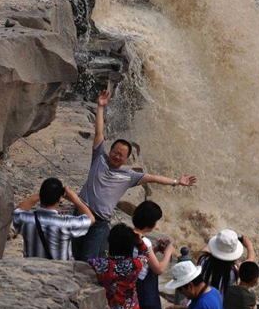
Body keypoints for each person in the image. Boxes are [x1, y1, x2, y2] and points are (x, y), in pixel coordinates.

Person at [73, 89, 197, 261]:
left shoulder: (129, 175)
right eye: (115, 152)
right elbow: (99, 132)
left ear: (126, 159)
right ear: (110, 151)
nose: (116, 156)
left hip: (99, 222)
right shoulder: (99, 158)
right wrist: (100, 107)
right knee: (75, 253)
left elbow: (154, 178)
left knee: (88, 259)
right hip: (79, 213)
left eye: (121, 155)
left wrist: (177, 181)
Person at [13, 177, 94, 260]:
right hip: (58, 271)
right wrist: (74, 199)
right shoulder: (65, 223)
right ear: (60, 199)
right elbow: (91, 219)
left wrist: (40, 195)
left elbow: (16, 211)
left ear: (41, 195)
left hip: (31, 270)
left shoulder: (25, 219)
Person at [88, 223, 148, 309]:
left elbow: (86, 263)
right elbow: (145, 254)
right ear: (131, 247)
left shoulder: (98, 265)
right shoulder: (135, 265)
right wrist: (139, 242)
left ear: (110, 242)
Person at [132, 200, 175, 309]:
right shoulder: (144, 241)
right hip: (145, 292)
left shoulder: (129, 234)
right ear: (150, 223)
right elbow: (159, 269)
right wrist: (168, 252)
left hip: (133, 284)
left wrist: (155, 249)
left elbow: (138, 255)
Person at [198, 231, 256, 301]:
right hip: (221, 305)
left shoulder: (203, 261)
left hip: (203, 300)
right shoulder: (233, 271)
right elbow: (249, 262)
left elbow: (205, 249)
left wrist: (220, 241)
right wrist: (249, 246)